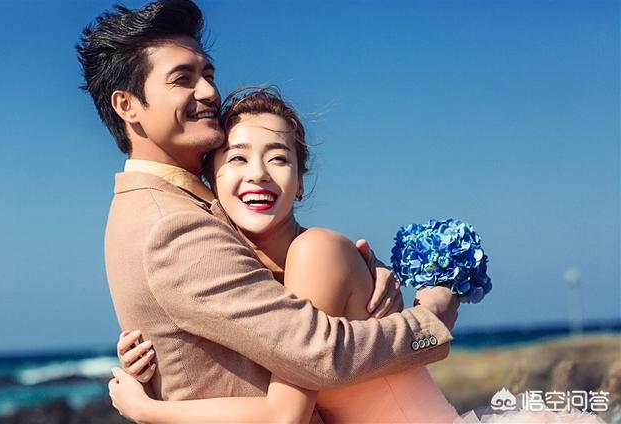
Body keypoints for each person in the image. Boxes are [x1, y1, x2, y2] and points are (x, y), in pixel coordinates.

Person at [76, 0, 459, 422]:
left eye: (208, 75)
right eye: (183, 79)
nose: (208, 92)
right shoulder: (172, 226)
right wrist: (430, 320)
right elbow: (319, 353)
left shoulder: (168, 208)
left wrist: (357, 273)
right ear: (127, 105)